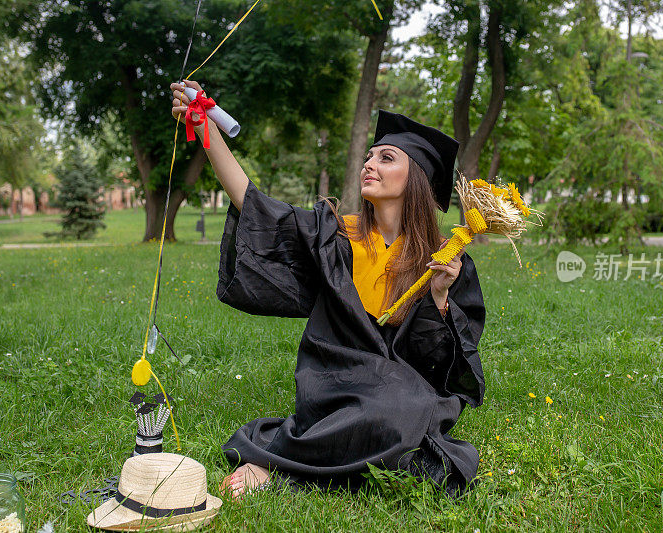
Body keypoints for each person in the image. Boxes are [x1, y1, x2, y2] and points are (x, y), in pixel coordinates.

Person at [170, 80, 486, 498]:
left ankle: (292, 461)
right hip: (335, 376)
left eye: (386, 158)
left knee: (404, 407)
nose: (369, 164)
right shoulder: (335, 235)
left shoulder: (445, 261)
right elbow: (256, 205)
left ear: (418, 179)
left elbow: (445, 369)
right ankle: (279, 461)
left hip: (403, 388)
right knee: (397, 422)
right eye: (369, 156)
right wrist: (206, 128)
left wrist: (440, 298)